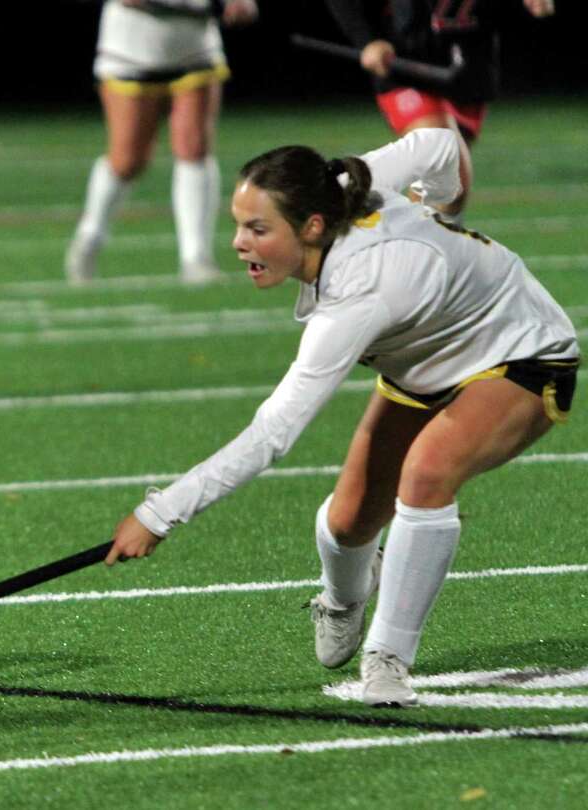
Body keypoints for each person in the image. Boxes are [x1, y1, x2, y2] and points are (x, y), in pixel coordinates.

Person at [104, 127, 579, 707]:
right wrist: (444, 201)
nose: (238, 243)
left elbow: (274, 434)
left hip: (520, 351)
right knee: (349, 524)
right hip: (420, 368)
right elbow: (437, 145)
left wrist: (161, 514)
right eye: (238, 225)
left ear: (311, 227)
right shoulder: (342, 185)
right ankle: (343, 596)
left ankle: (389, 659)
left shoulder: (360, 293)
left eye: (258, 229)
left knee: (427, 474)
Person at [65, 0, 259, 286]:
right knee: (128, 161)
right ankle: (90, 236)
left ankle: (196, 258)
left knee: (194, 148)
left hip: (195, 47)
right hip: (130, 48)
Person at [323, 0, 556, 218]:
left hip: (467, 71)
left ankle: (417, 254)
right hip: (407, 67)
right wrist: (366, 39)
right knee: (450, 179)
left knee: (436, 194)